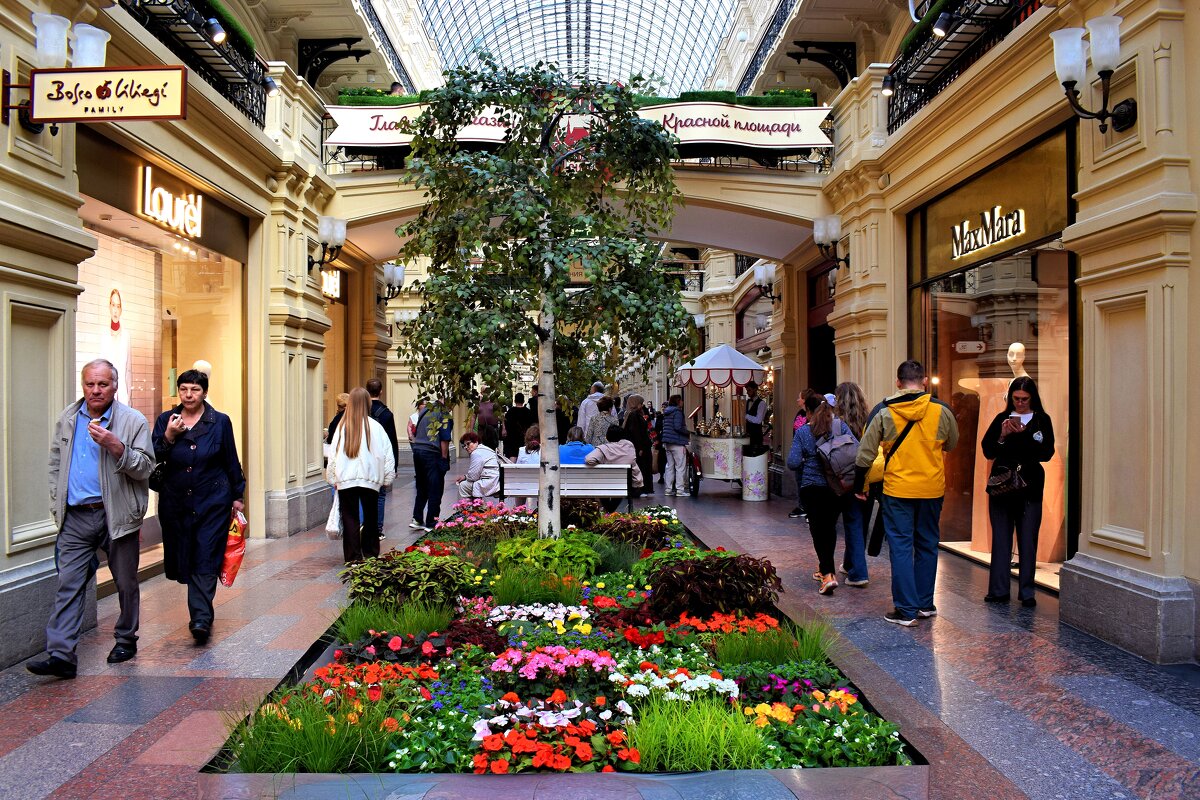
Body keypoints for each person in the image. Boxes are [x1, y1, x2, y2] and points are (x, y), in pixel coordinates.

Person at [29, 359, 154, 678]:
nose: (95, 390)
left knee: (125, 582)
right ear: (82, 385)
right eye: (90, 384)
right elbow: (55, 463)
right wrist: (58, 504)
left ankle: (126, 638)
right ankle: (61, 654)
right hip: (76, 516)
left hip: (118, 514)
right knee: (68, 583)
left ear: (114, 386)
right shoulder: (68, 419)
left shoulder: (132, 421)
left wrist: (117, 447)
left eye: (102, 384)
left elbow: (145, 468)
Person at [853, 360, 959, 627]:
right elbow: (952, 443)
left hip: (898, 489)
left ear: (898, 382)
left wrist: (860, 485)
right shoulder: (941, 410)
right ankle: (924, 604)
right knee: (927, 544)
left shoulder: (883, 412)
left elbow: (865, 455)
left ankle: (906, 609)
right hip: (932, 489)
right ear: (924, 381)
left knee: (900, 546)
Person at [151, 366, 246, 644]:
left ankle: (200, 617)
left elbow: (231, 458)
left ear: (204, 392)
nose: (189, 394)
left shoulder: (220, 421)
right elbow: (153, 455)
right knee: (185, 554)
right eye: (184, 389)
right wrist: (169, 435)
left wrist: (237, 496)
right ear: (178, 391)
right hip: (176, 502)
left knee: (206, 553)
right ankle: (202, 610)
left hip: (212, 501)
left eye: (195, 389)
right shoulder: (167, 419)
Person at [981, 376, 1055, 607]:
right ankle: (999, 590)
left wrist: (1022, 435)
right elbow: (988, 450)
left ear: (1032, 398)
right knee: (1001, 540)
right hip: (1003, 488)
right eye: (1016, 399)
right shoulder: (1002, 419)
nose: (1020, 403)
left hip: (1030, 488)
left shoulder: (1042, 420)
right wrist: (1003, 435)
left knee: (1028, 540)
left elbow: (1046, 453)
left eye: (1024, 399)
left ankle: (1027, 592)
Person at [787, 394, 856, 596]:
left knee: (818, 530)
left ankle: (828, 574)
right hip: (837, 486)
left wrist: (807, 460)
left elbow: (791, 462)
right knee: (829, 528)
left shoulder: (803, 432)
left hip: (812, 487)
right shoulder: (840, 426)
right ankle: (824, 569)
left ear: (808, 411)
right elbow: (855, 448)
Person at [327, 387, 395, 563]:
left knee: (350, 518)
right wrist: (387, 477)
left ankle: (353, 557)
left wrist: (333, 477)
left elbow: (333, 454)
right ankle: (371, 553)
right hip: (370, 480)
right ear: (367, 403)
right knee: (371, 516)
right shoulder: (376, 427)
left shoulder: (343, 426)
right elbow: (387, 454)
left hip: (346, 480)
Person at [834, 381, 871, 587]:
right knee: (858, 522)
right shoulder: (868, 419)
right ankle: (850, 564)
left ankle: (858, 573)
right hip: (865, 477)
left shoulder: (836, 423)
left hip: (842, 478)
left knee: (852, 523)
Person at [411, 400, 452, 530]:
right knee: (435, 487)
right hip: (432, 453)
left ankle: (417, 518)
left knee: (422, 485)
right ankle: (432, 522)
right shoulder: (444, 414)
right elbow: (444, 439)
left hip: (418, 450)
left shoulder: (425, 409)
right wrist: (444, 458)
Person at [365, 379, 398, 539]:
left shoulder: (361, 412)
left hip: (363, 459)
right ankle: (377, 529)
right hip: (379, 460)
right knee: (380, 495)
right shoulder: (386, 414)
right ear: (381, 391)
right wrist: (394, 466)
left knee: (364, 492)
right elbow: (392, 441)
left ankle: (364, 525)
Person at [585, 426, 643, 511]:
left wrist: (601, 463)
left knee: (602, 486)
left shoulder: (604, 448)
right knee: (619, 486)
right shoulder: (629, 446)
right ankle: (610, 511)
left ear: (607, 437)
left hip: (605, 483)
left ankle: (609, 511)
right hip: (625, 484)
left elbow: (589, 459)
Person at [102, 288, 133, 406]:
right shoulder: (103, 335)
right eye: (113, 305)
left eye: (118, 306)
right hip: (106, 394)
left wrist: (128, 398)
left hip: (123, 394)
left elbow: (128, 371)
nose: (115, 310)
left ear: (121, 309)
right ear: (109, 306)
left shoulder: (126, 336)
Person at [788, 389, 815, 520]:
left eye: (799, 397)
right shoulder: (800, 413)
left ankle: (808, 508)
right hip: (799, 455)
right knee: (800, 480)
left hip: (807, 455)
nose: (797, 400)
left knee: (807, 482)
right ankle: (802, 506)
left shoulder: (812, 416)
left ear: (804, 399)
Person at [622, 394, 654, 496]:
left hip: (639, 446)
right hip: (640, 447)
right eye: (640, 403)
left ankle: (642, 488)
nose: (642, 405)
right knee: (642, 467)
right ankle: (641, 489)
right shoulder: (634, 415)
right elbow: (636, 432)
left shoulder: (631, 414)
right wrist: (640, 447)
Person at [456, 431, 501, 498]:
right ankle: (476, 506)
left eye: (468, 444)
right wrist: (465, 476)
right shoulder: (484, 449)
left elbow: (473, 477)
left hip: (490, 484)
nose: (466, 447)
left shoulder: (476, 453)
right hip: (495, 481)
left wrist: (466, 477)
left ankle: (464, 507)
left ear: (476, 442)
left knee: (463, 485)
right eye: (464, 446)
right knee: (471, 485)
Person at [660, 394, 689, 496]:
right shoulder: (677, 412)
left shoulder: (667, 412)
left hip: (668, 442)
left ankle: (668, 489)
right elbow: (677, 427)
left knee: (669, 466)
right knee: (680, 467)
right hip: (677, 442)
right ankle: (680, 490)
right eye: (681, 400)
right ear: (678, 401)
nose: (682, 402)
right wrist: (687, 432)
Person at [502, 392, 535, 460]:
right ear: (523, 401)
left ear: (514, 401)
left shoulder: (510, 412)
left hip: (512, 439)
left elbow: (505, 423)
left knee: (513, 456)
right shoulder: (528, 412)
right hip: (524, 438)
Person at [744, 382, 766, 455]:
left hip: (756, 436)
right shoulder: (747, 402)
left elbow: (758, 420)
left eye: (749, 390)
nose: (747, 392)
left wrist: (745, 416)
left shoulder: (761, 403)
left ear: (755, 389)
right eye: (747, 390)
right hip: (747, 435)